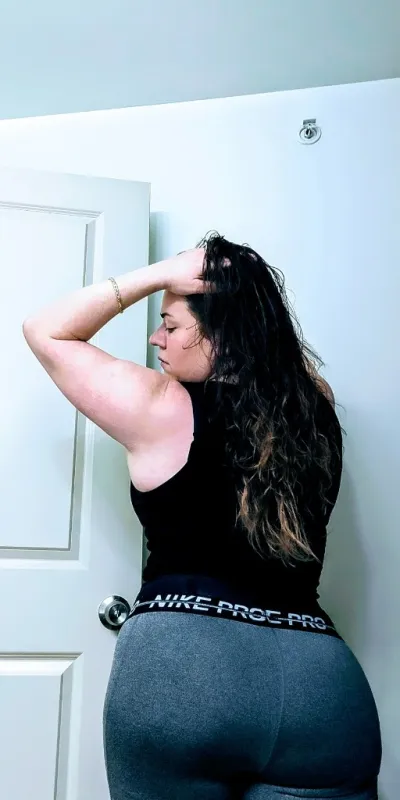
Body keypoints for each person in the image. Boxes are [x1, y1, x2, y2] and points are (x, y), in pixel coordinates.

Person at [23, 233, 382, 799]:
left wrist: (156, 273)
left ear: (222, 331)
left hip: (185, 675)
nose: (156, 337)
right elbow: (275, 366)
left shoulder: (160, 406)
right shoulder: (315, 403)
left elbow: (45, 329)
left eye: (170, 323)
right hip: (322, 687)